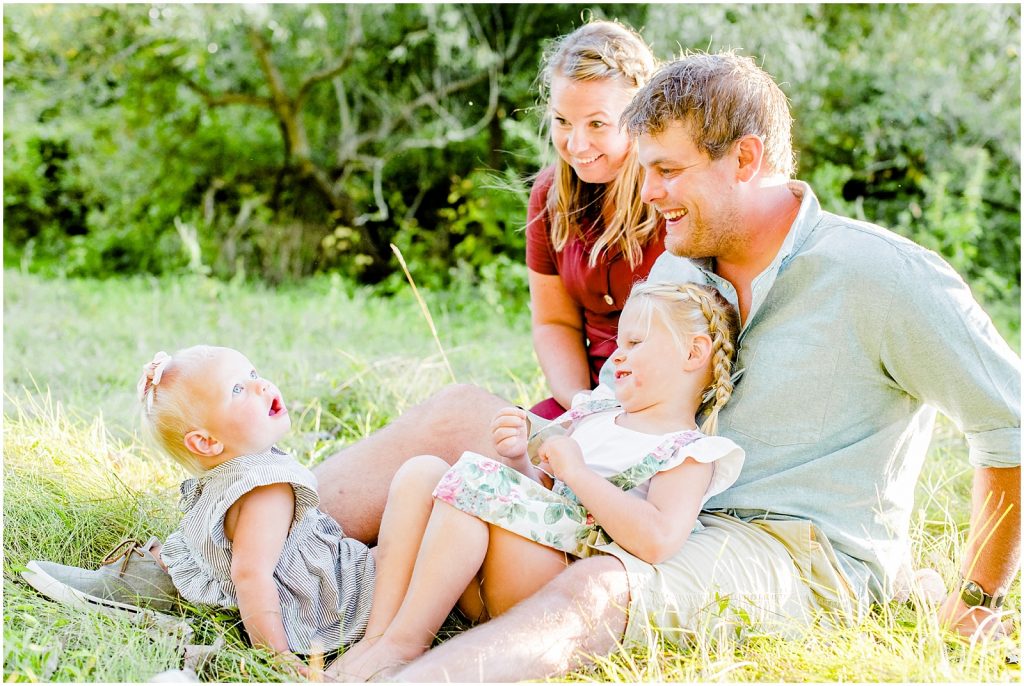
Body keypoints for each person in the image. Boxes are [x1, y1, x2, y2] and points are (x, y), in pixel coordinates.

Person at [371, 51, 1020, 681]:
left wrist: (978, 599)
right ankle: (282, 543)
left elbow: (1008, 426)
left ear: (744, 158)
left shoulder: (882, 276)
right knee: (457, 424)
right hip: (652, 499)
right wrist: (549, 455)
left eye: (668, 172)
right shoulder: (680, 268)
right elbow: (619, 404)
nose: (648, 192)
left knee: (596, 587)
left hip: (794, 553)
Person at [328, 280, 744, 680]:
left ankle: (403, 646)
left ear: (694, 353)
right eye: (617, 343)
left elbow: (658, 538)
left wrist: (576, 472)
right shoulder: (596, 413)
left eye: (634, 344)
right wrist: (519, 461)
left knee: (475, 482)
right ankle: (377, 639)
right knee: (423, 472)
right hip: (488, 566)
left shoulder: (686, 451)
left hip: (550, 585)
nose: (617, 355)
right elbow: (543, 496)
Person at [22, 346, 436, 677]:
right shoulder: (266, 489)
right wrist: (276, 656)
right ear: (206, 443)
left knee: (418, 511)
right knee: (407, 532)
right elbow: (250, 574)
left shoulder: (229, 475)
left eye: (253, 375)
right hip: (342, 595)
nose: (260, 386)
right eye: (237, 389)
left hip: (321, 573)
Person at [523, 20, 665, 419]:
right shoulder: (548, 197)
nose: (576, 143)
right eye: (562, 122)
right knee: (507, 453)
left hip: (667, 406)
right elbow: (554, 322)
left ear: (639, 116)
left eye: (597, 123)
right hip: (585, 401)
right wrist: (581, 405)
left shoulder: (672, 193)